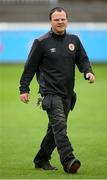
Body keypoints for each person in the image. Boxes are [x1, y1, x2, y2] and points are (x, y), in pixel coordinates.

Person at [19, 7, 95, 174]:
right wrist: (24, 89)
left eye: (63, 19)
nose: (60, 22)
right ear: (50, 21)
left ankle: (41, 158)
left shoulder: (74, 40)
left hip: (68, 94)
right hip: (50, 94)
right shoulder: (41, 42)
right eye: (56, 19)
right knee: (60, 126)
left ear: (67, 20)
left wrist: (88, 72)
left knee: (54, 130)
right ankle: (69, 160)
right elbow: (29, 68)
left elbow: (83, 59)